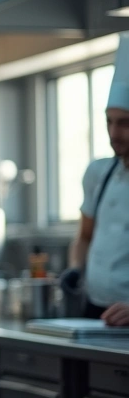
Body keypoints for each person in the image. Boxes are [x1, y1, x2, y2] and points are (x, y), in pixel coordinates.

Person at [67, 34, 129, 327]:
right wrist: (76, 269)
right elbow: (84, 236)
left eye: (125, 123)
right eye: (109, 121)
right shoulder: (99, 174)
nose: (114, 133)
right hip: (95, 312)